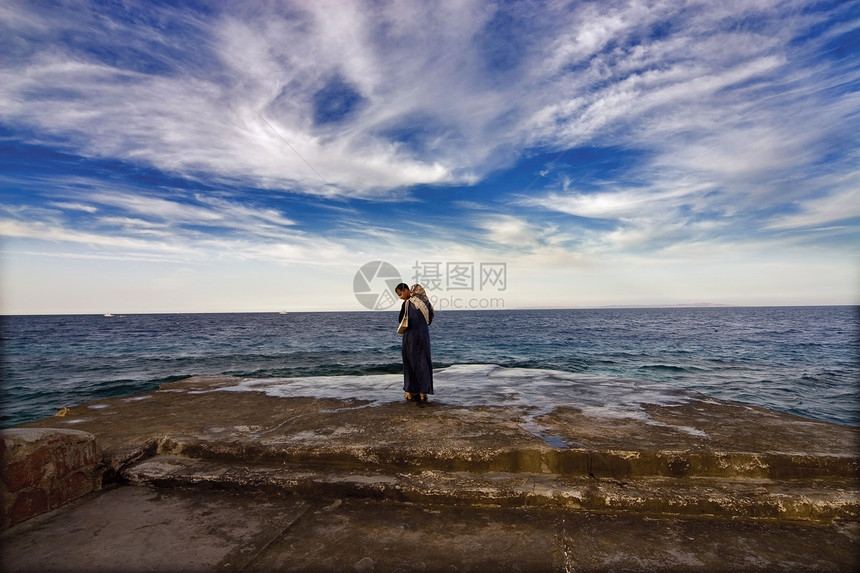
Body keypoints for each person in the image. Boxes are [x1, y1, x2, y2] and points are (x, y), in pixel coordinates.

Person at [395, 282, 434, 404]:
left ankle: (409, 391)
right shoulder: (425, 302)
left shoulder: (407, 303)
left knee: (409, 362)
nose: (400, 297)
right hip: (423, 336)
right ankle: (423, 393)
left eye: (400, 294)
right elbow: (430, 317)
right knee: (423, 362)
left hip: (410, 337)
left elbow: (400, 319)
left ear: (406, 290)